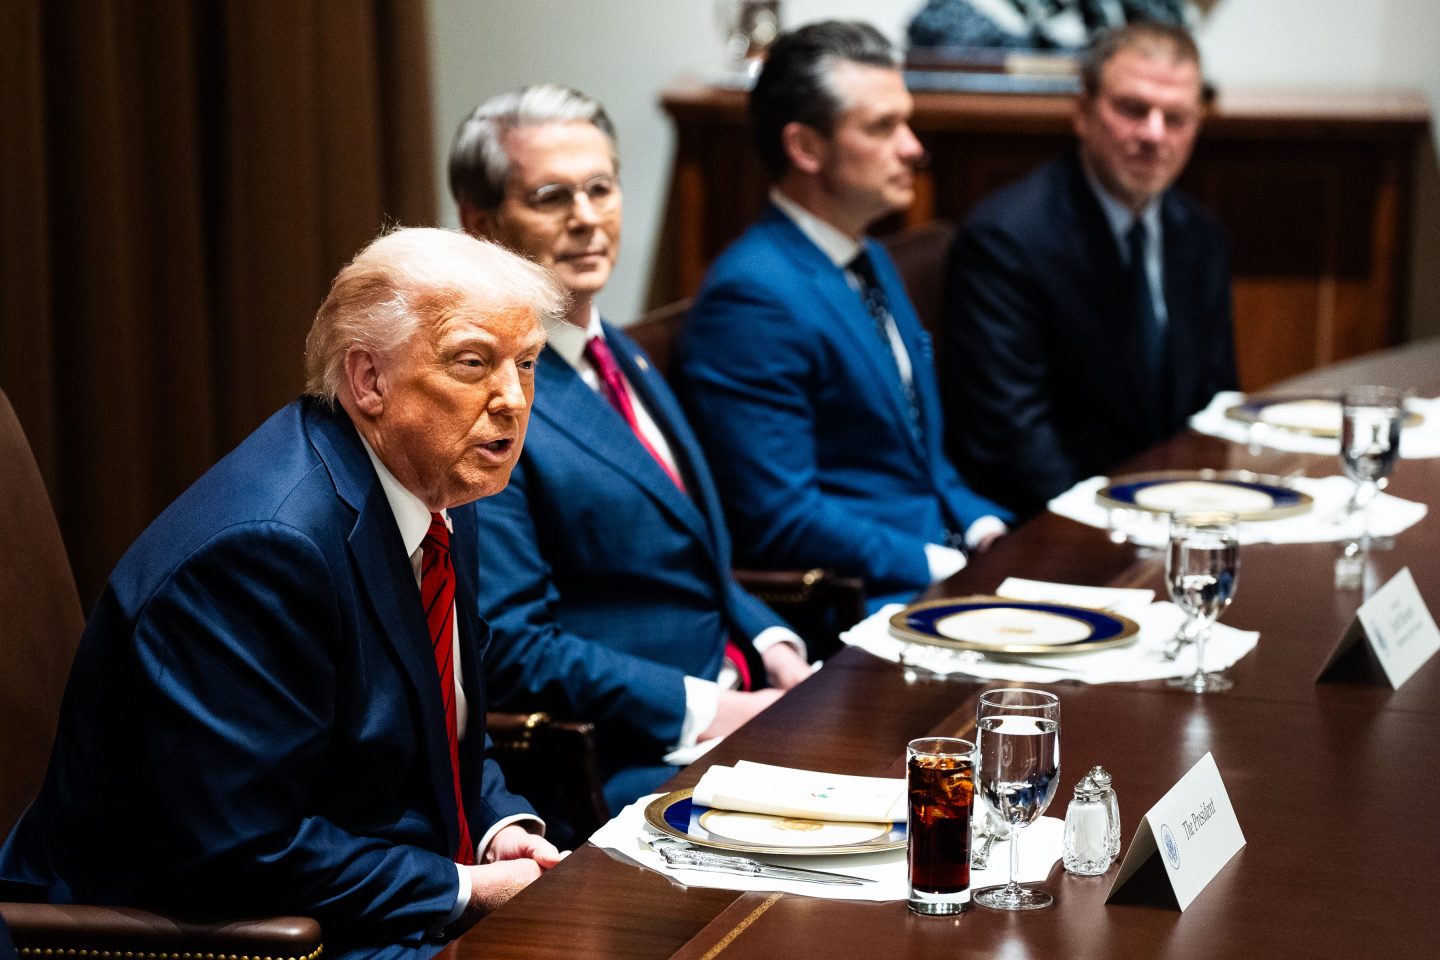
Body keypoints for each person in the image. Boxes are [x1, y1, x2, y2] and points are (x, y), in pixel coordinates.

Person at [0, 228, 568, 960]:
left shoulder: (441, 484)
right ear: (368, 380)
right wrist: (464, 888)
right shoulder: (266, 551)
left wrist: (497, 829)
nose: (513, 399)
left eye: (526, 363)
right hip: (226, 933)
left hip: (366, 892)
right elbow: (240, 849)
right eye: (473, 363)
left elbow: (439, 719)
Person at [449, 85, 811, 830]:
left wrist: (771, 641)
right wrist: (712, 709)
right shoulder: (488, 404)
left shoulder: (616, 353)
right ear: (481, 225)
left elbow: (691, 553)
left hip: (743, 701)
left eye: (600, 188)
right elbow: (509, 644)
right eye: (551, 197)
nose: (586, 217)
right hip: (625, 762)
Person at [676, 21, 1013, 610]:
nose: (913, 147)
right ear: (806, 148)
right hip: (865, 598)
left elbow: (923, 462)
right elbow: (778, 516)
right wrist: (940, 563)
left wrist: (984, 527)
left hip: (941, 564)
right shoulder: (753, 296)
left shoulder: (867, 254)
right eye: (883, 127)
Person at [943, 21, 1236, 517]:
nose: (1154, 134)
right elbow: (1013, 441)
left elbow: (1214, 406)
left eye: (1176, 117)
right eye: (1133, 109)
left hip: (1172, 515)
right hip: (1056, 522)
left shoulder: (1200, 235)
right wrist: (1114, 525)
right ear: (1082, 111)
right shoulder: (1007, 240)